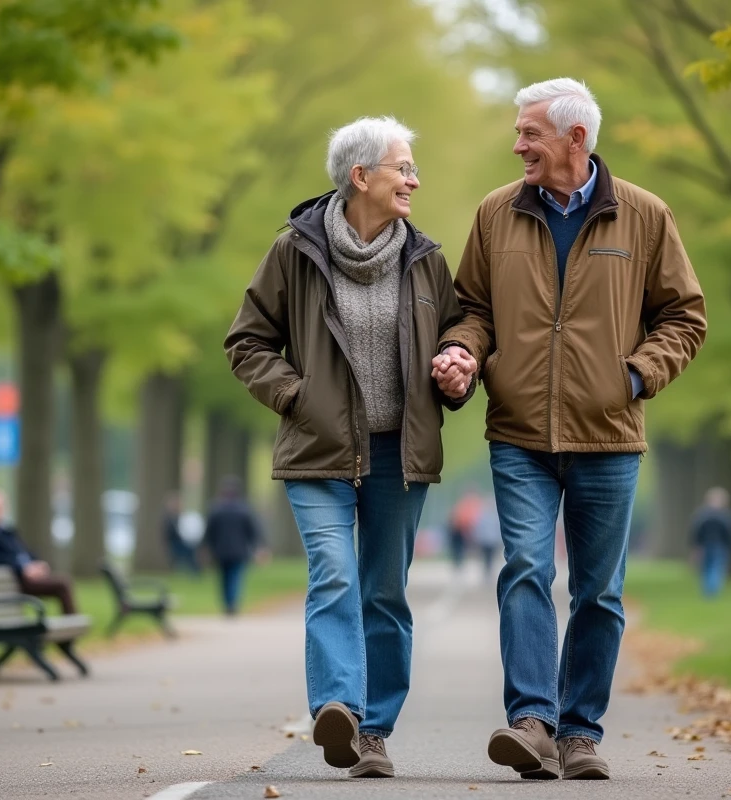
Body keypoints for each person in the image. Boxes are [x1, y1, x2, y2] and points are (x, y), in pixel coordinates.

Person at [432, 78, 707, 780]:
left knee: (598, 591)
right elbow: (472, 307)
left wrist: (636, 375)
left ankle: (580, 732)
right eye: (518, 132)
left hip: (609, 434)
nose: (517, 143)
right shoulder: (496, 213)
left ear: (575, 138)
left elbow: (685, 316)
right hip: (519, 431)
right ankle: (531, 721)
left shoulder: (645, 216)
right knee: (524, 567)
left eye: (530, 133)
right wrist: (464, 350)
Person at [225, 116, 469, 779]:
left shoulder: (426, 261)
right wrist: (298, 397)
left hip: (399, 451)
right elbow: (247, 343)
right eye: (403, 168)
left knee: (384, 591)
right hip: (319, 450)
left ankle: (375, 732)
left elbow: (457, 337)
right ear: (361, 177)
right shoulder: (295, 252)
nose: (414, 180)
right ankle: (338, 705)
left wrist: (457, 366)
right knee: (333, 573)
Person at [0, 488, 77, 614]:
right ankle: (72, 624)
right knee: (62, 583)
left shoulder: (5, 530)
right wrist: (23, 569)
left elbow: (22, 551)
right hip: (12, 581)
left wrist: (35, 564)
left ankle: (72, 625)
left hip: (20, 578)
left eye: (2, 505)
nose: (1, 509)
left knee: (63, 581)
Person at [202, 477, 263, 616]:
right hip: (239, 551)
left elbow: (208, 532)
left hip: (220, 551)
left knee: (223, 578)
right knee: (235, 578)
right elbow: (253, 531)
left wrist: (205, 548)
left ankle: (227, 603)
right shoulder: (244, 510)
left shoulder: (215, 510)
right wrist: (258, 547)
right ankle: (232, 602)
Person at [690, 487, 731, 598]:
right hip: (715, 546)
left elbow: (696, 532)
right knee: (714, 567)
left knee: (710, 567)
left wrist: (696, 546)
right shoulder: (726, 516)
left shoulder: (702, 515)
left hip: (713, 546)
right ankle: (712, 590)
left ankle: (709, 590)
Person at [163, 493, 200, 575]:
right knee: (182, 556)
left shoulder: (180, 516)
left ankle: (195, 572)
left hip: (182, 541)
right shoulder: (168, 517)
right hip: (174, 541)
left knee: (191, 555)